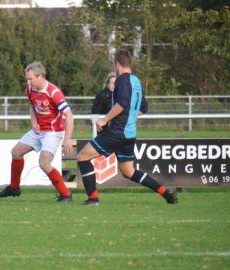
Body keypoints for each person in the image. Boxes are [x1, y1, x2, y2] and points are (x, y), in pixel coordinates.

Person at [76, 49, 177, 206]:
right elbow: (144, 106)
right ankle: (165, 192)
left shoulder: (122, 79)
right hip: (129, 134)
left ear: (117, 64)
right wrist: (130, 118)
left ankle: (93, 198)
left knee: (82, 156)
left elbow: (122, 103)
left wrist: (105, 119)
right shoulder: (136, 81)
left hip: (117, 132)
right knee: (128, 172)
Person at [0, 61, 74, 202]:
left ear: (40, 76)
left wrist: (67, 139)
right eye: (27, 78)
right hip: (39, 130)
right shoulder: (30, 89)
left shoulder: (54, 92)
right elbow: (32, 106)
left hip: (53, 132)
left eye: (30, 78)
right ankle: (14, 187)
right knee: (16, 152)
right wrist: (33, 121)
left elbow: (69, 115)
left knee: (44, 163)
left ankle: (66, 194)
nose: (28, 81)